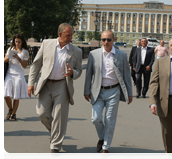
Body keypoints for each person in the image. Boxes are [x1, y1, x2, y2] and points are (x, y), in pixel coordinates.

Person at [27, 23, 82, 157]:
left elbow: (79, 70)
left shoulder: (76, 51)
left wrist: (72, 72)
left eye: (71, 35)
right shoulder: (47, 44)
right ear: (60, 34)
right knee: (41, 113)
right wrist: (30, 83)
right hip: (46, 84)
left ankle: (55, 145)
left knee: (59, 116)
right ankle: (56, 132)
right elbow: (36, 64)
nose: (70, 38)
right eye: (68, 35)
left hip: (62, 85)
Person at [84, 30, 132, 158]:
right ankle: (101, 137)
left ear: (113, 40)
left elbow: (127, 75)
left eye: (109, 39)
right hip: (97, 91)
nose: (106, 42)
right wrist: (86, 91)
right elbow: (89, 74)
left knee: (110, 120)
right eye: (103, 39)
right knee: (95, 118)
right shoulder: (94, 54)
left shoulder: (121, 55)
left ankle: (106, 147)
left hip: (114, 91)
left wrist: (130, 93)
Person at [4, 33, 29, 121]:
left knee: (16, 95)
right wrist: (9, 57)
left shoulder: (25, 52)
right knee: (6, 94)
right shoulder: (10, 49)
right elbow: (4, 60)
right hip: (10, 73)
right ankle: (10, 109)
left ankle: (14, 113)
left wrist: (18, 58)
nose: (17, 43)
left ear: (22, 42)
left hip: (19, 74)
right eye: (15, 41)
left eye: (19, 42)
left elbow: (25, 65)